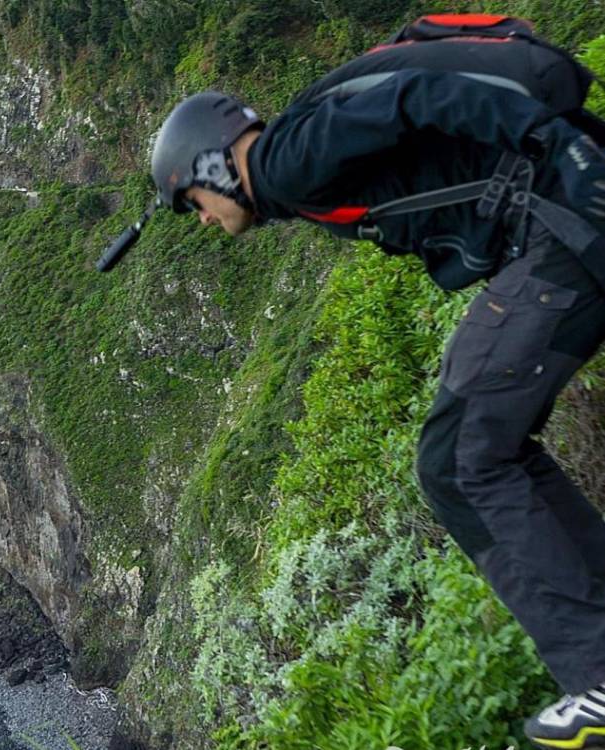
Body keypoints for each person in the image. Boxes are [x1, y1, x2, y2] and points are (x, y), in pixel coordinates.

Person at [151, 70, 605, 748]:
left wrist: (554, 142)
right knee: (475, 455)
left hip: (565, 218)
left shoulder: (286, 158)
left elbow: (418, 93)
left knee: (458, 459)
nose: (206, 222)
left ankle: (595, 673)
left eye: (193, 202)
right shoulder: (291, 178)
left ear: (212, 163)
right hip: (562, 225)